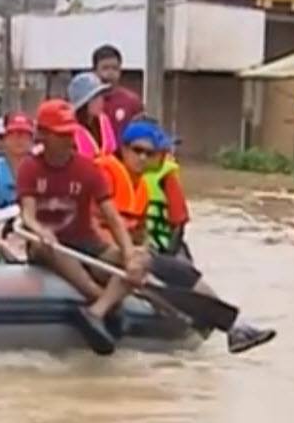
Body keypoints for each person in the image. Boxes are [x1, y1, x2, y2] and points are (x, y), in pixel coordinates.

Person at [95, 119, 276, 355]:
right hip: (103, 252)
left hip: (129, 253)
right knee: (173, 269)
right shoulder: (105, 172)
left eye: (149, 153)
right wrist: (128, 253)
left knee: (178, 271)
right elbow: (91, 222)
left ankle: (232, 325)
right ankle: (233, 325)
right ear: (124, 148)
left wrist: (143, 249)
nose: (143, 158)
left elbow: (141, 231)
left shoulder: (141, 185)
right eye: (138, 151)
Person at [16, 99, 144, 355]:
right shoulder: (30, 168)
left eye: (69, 134)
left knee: (141, 259)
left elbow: (113, 218)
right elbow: (27, 216)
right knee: (54, 249)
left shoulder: (88, 169)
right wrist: (41, 231)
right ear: (43, 135)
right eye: (60, 135)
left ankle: (98, 310)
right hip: (46, 245)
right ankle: (102, 301)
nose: (67, 140)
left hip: (86, 243)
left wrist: (129, 254)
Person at [0, 113, 34, 262]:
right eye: (14, 134)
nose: (19, 139)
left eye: (24, 135)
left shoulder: (42, 173)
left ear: (32, 141)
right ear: (5, 139)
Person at [142, 126, 191, 259]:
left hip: (161, 248)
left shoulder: (167, 177)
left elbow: (179, 223)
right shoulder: (124, 174)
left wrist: (169, 258)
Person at [92, 44, 144, 144]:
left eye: (115, 68)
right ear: (95, 71)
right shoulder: (88, 102)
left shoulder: (132, 101)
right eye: (105, 68)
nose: (110, 73)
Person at [68, 72, 117, 159]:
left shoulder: (104, 120)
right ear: (83, 104)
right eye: (95, 98)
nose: (101, 101)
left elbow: (112, 153)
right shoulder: (70, 129)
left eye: (101, 96)